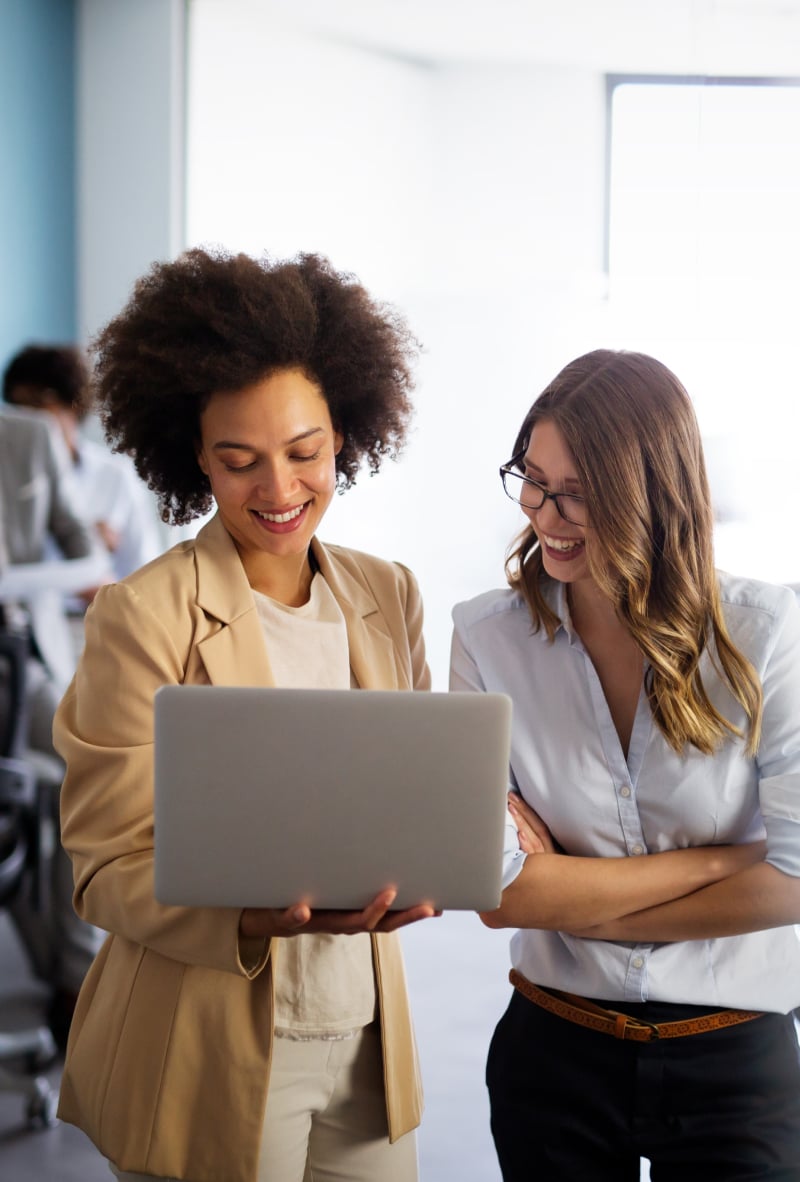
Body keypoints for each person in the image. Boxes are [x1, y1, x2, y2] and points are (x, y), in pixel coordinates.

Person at [52, 247, 438, 1182]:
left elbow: (413, 792)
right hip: (204, 1040)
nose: (278, 491)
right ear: (193, 457)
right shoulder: (143, 617)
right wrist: (248, 918)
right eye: (239, 461)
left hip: (365, 1040)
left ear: (344, 433)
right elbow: (104, 865)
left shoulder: (388, 596)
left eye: (304, 453)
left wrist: (430, 863)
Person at [451, 349, 800, 1181]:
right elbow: (500, 893)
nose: (544, 514)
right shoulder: (487, 640)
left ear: (652, 494)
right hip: (552, 1058)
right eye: (531, 479)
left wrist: (576, 900)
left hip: (732, 1060)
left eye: (578, 492)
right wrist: (718, 864)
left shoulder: (762, 630)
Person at [0, 390, 111, 1048]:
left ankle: (77, 980)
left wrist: (27, 579)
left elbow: (89, 556)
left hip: (16, 658)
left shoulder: (31, 437)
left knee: (91, 768)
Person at [4, 343, 163, 586]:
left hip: (104, 609)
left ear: (73, 404)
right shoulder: (10, 472)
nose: (30, 418)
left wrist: (98, 557)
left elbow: (146, 567)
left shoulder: (116, 476)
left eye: (39, 404)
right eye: (19, 408)